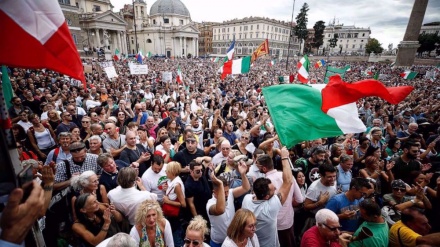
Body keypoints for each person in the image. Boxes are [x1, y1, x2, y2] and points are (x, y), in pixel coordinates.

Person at [241, 146, 293, 247]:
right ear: (266, 197)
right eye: (274, 190)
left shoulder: (247, 199)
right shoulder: (269, 209)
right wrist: (284, 157)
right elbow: (288, 181)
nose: (275, 189)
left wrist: (243, 174)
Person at [257, 152, 303, 246]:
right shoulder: (289, 177)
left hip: (273, 225)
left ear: (264, 168)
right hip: (289, 221)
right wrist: (288, 204)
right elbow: (300, 199)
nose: (257, 167)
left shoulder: (264, 185)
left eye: (258, 165)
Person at [207, 159, 251, 247]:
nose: (226, 194)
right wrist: (220, 185)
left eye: (227, 191)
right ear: (214, 192)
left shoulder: (230, 193)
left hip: (232, 240)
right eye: (223, 192)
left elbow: (246, 188)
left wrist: (243, 174)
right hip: (217, 243)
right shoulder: (210, 204)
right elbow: (220, 209)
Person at [163, 161, 186, 247]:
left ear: (172, 172)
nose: (165, 172)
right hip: (171, 216)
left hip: (175, 217)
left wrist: (168, 201)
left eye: (167, 170)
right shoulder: (171, 181)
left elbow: (183, 204)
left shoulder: (177, 185)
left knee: (176, 239)